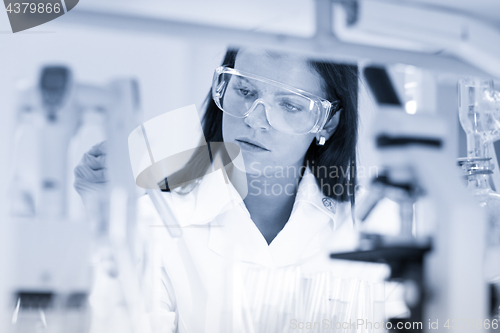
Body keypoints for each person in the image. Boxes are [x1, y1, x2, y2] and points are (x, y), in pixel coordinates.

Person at [75, 48, 393, 333]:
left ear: (327, 122)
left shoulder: (374, 223)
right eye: (244, 90)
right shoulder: (156, 223)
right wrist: (106, 220)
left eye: (290, 105)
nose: (255, 120)